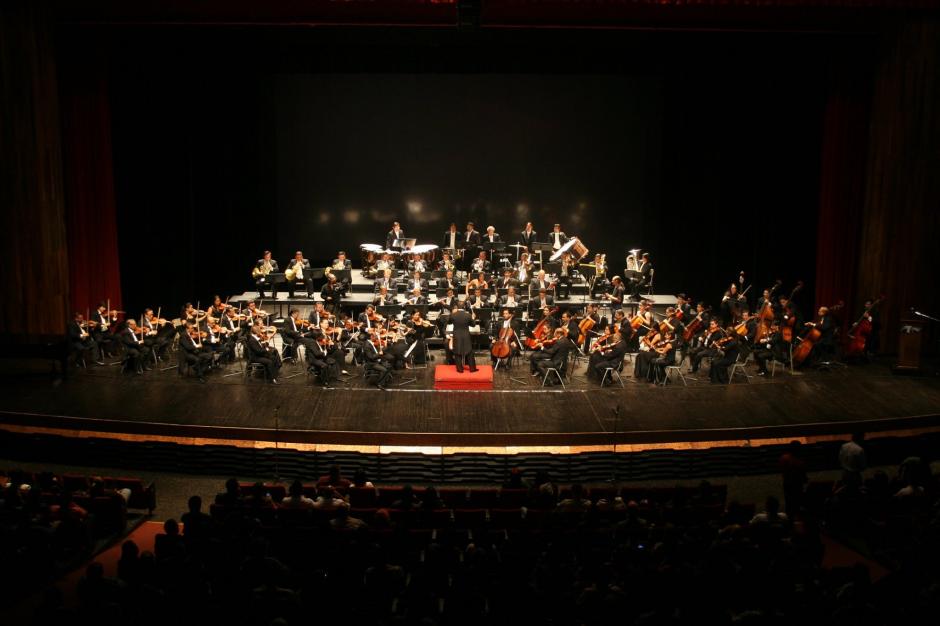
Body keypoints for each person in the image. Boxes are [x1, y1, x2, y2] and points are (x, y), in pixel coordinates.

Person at [449, 305, 477, 373]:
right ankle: (472, 369)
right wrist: (473, 318)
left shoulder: (453, 315)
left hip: (457, 335)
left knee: (457, 352)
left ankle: (460, 369)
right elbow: (473, 325)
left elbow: (449, 322)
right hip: (466, 335)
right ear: (464, 308)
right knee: (469, 351)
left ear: (457, 308)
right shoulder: (468, 315)